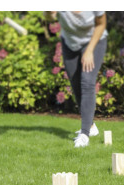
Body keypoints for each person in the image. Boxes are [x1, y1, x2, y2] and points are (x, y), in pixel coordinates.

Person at [44, 11, 108, 148]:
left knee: (87, 82)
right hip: (70, 43)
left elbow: (101, 23)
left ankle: (84, 134)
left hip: (94, 42)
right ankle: (91, 127)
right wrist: (49, 12)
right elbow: (50, 17)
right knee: (76, 84)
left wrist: (89, 51)